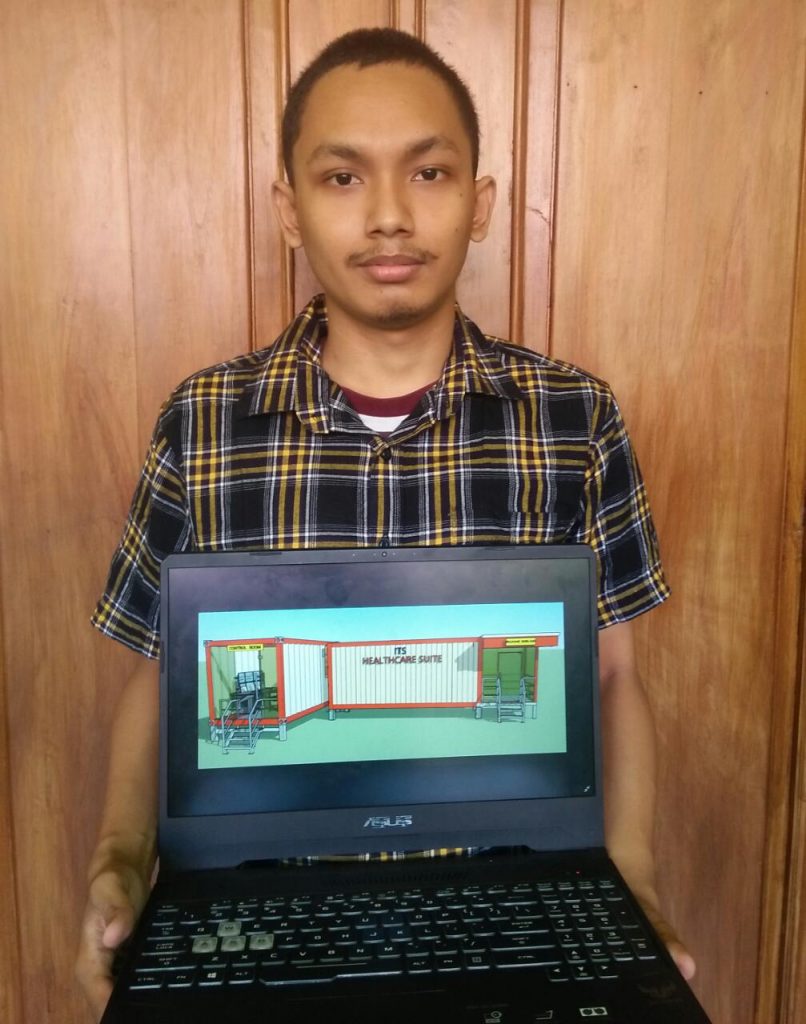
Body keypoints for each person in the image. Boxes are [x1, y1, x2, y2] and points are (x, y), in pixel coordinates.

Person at [75, 27, 696, 1019]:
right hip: (264, 909)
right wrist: (119, 853)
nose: (390, 215)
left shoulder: (573, 417)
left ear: (480, 203)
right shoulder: (203, 420)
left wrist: (632, 882)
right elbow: (159, 672)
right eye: (342, 178)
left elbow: (614, 675)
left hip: (512, 898)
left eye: (429, 171)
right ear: (289, 210)